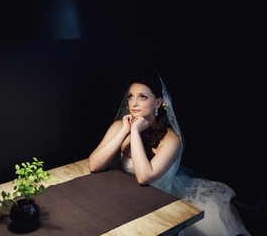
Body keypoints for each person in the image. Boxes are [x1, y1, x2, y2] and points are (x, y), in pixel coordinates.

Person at [88, 72, 250, 236]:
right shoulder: (120, 126)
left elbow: (144, 178)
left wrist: (135, 132)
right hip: (125, 197)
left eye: (143, 97)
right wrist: (124, 131)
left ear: (158, 102)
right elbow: (94, 165)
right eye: (131, 96)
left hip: (161, 202)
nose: (134, 103)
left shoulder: (171, 139)